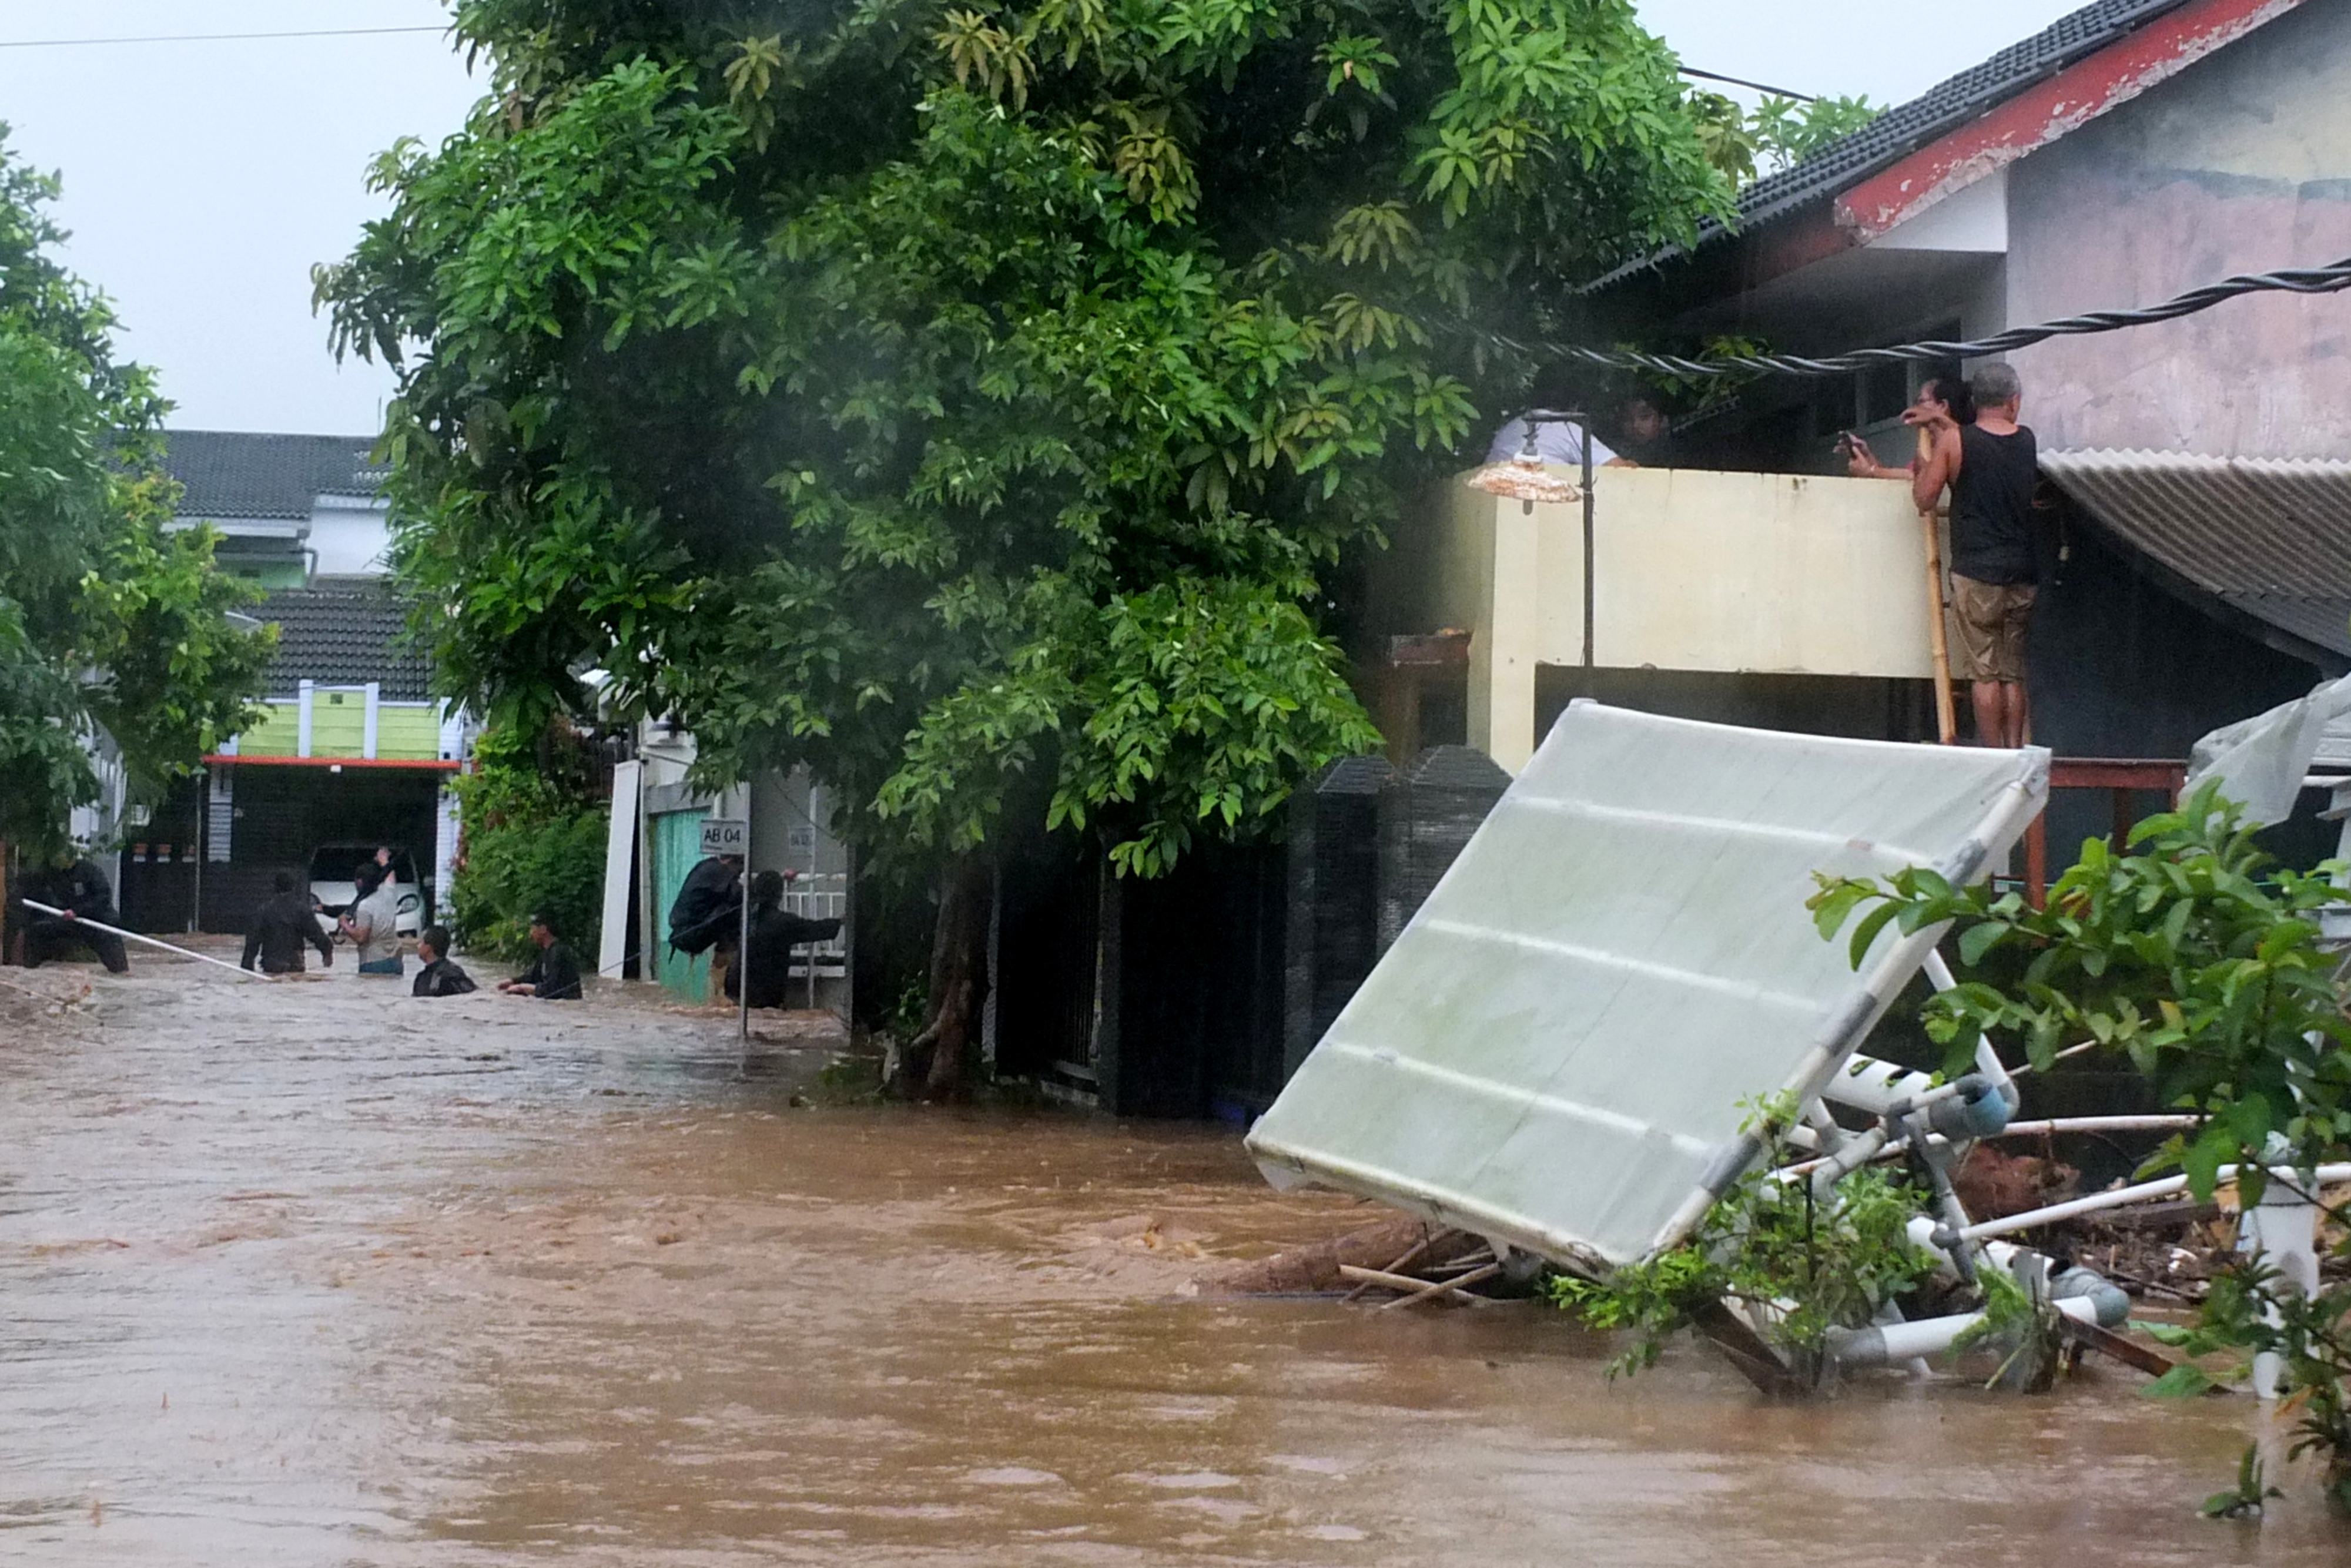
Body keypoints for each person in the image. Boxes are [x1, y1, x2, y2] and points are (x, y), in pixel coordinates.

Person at [1846, 365, 2038, 747]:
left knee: (1984, 673)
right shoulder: (2027, 440)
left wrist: (1933, 447)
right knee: (2012, 674)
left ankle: (1994, 757)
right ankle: (2016, 752)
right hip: (2023, 573)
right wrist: (1939, 417)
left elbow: (1925, 498)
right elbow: (1984, 444)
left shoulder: (1955, 443)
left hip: (1977, 573)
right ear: (2014, 403)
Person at [722, 870, 843, 1009]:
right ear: (779, 895)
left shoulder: (744, 915)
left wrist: (780, 878)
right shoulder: (784, 922)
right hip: (764, 992)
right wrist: (840, 921)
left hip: (735, 986)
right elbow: (815, 929)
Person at [22, 854, 130, 974]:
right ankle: (31, 970)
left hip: (99, 921)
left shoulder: (89, 870)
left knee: (119, 970)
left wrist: (78, 911)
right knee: (38, 930)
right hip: (69, 921)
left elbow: (103, 897)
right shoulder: (52, 873)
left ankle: (120, 970)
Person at [242, 870, 333, 974]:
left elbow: (253, 942)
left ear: (275, 887)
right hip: (296, 964)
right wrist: (327, 953)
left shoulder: (264, 911)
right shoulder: (302, 911)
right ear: (293, 888)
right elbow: (317, 935)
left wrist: (247, 968)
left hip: (272, 965)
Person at [340, 863, 406, 977]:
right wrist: (384, 861)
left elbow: (361, 937)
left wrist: (344, 924)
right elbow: (391, 877)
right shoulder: (390, 893)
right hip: (396, 962)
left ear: (359, 882)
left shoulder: (365, 906)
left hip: (373, 964)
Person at [500, 912, 582, 1000]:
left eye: (532, 929)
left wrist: (522, 988)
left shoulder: (558, 953)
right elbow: (532, 977)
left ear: (543, 929)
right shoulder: (546, 952)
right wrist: (512, 981)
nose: (530, 934)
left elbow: (551, 989)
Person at [411, 925, 478, 997]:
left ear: (428, 948)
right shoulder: (456, 971)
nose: (418, 946)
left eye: (421, 942)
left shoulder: (423, 979)